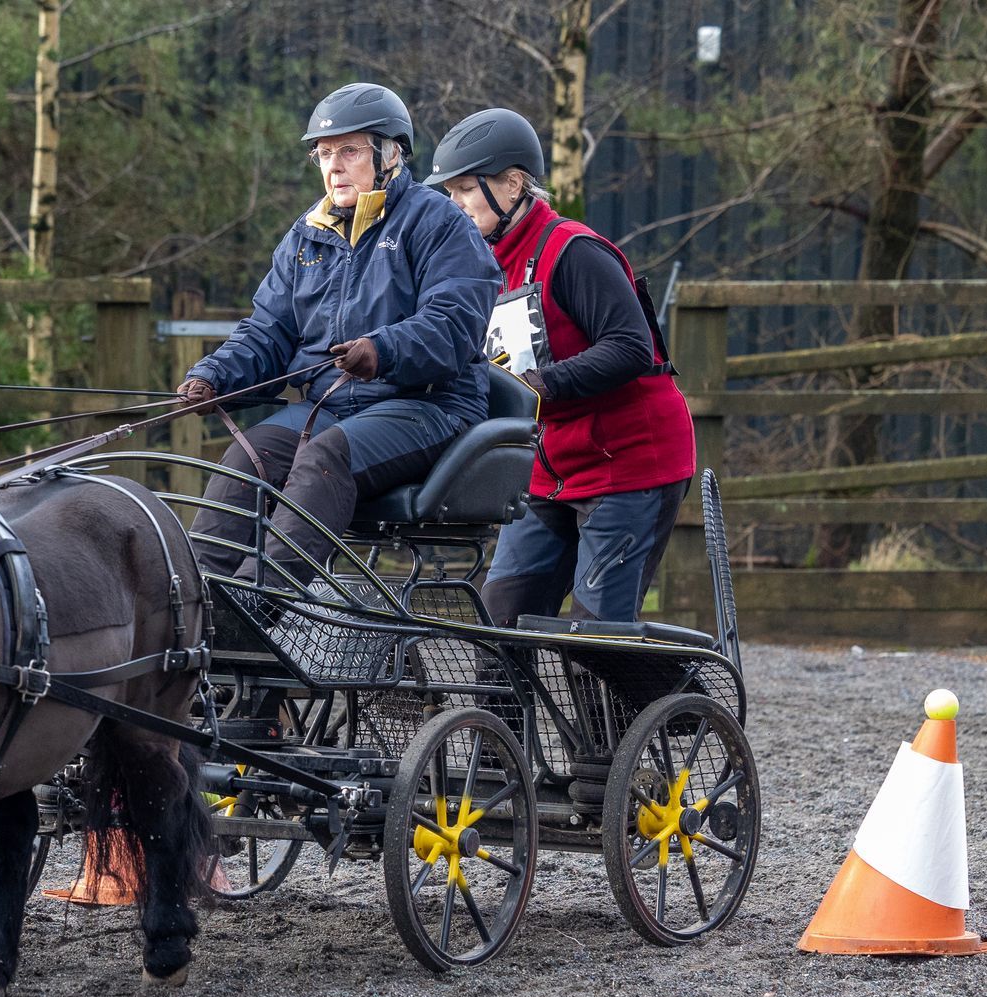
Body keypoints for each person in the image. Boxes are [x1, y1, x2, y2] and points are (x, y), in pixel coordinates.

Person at [177, 82, 498, 586]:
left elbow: (454, 325)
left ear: (390, 154)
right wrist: (213, 377)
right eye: (324, 154)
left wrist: (383, 350)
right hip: (329, 406)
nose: (334, 166)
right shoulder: (306, 235)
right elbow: (267, 331)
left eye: (349, 151)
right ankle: (200, 600)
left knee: (325, 456)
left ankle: (261, 600)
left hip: (427, 406)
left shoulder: (438, 222)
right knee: (248, 457)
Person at [426, 107, 694, 626]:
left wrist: (540, 385)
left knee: (596, 639)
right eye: (449, 192)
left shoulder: (573, 251)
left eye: (465, 189)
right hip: (549, 469)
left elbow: (631, 347)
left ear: (512, 184)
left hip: (629, 463)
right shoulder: (478, 265)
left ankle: (648, 686)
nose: (453, 204)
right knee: (501, 624)